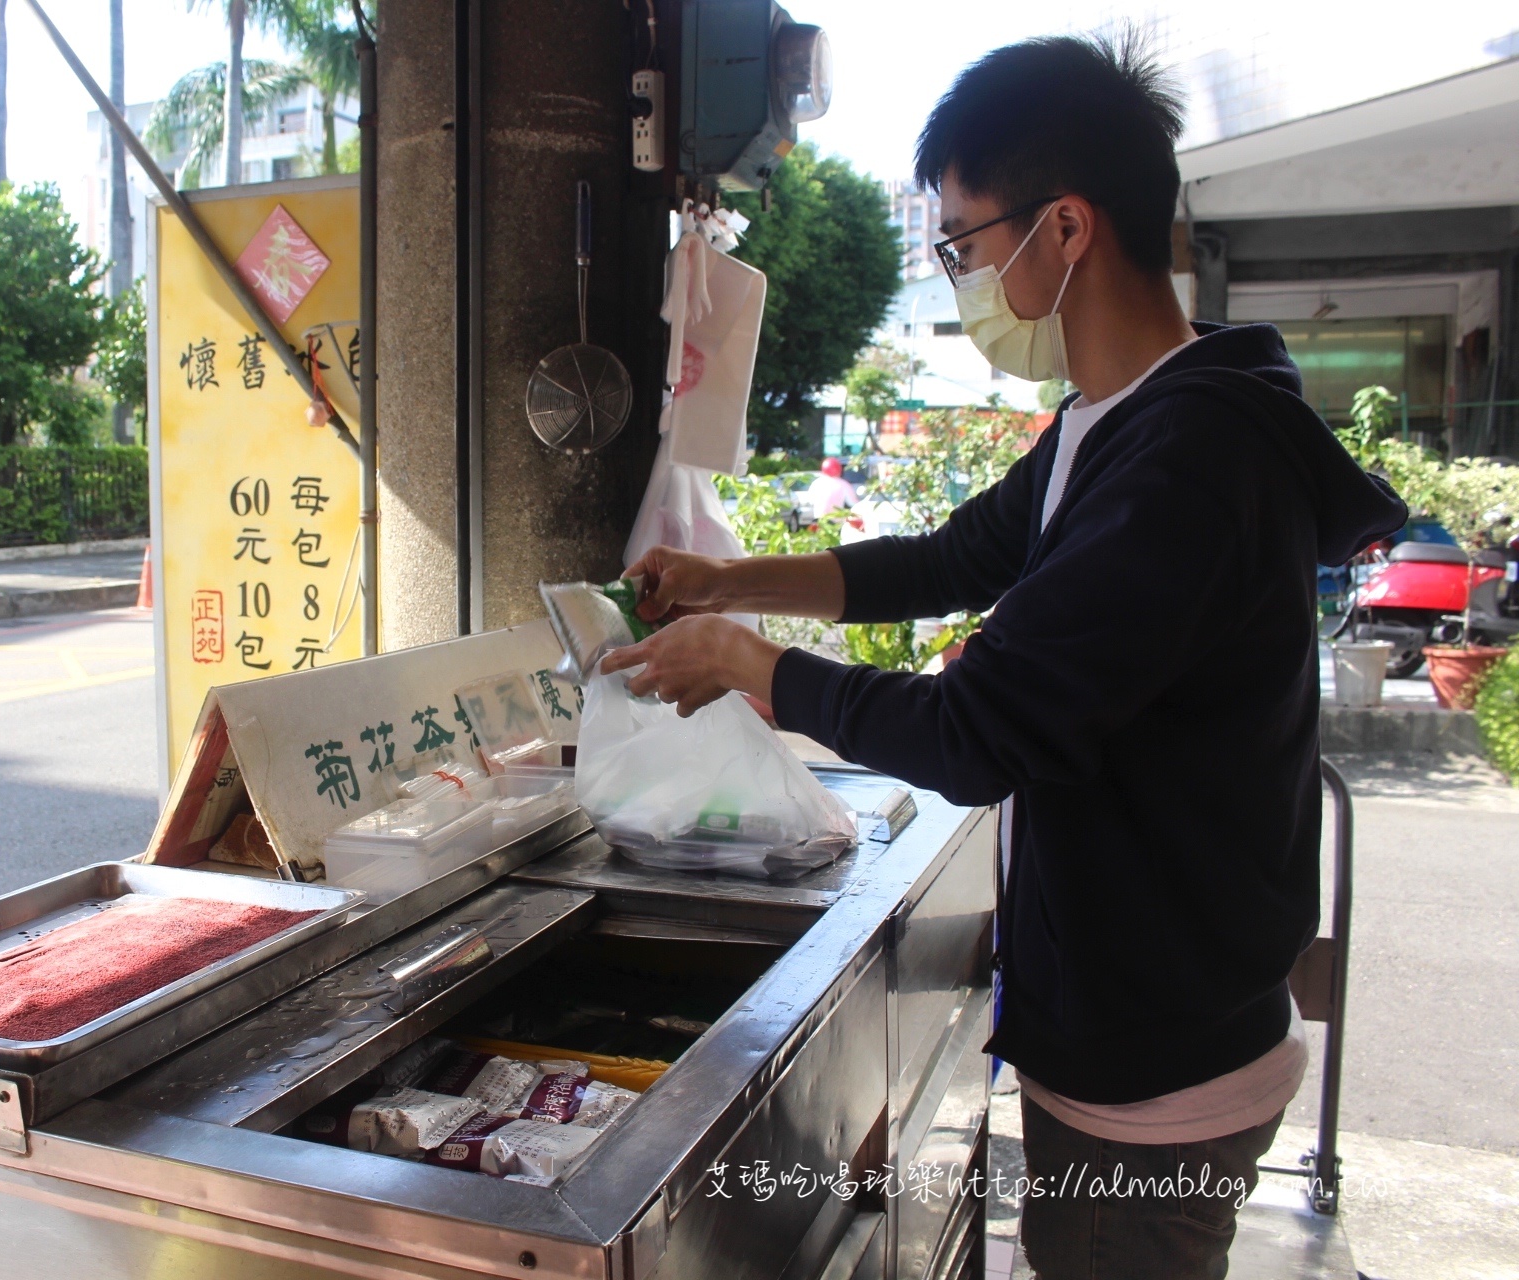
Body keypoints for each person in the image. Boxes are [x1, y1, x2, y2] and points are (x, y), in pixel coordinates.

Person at [602, 31, 1405, 1280]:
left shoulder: (1190, 460)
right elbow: (946, 560)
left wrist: (752, 667)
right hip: (1153, 1018)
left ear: (1066, 229)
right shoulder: (1113, 422)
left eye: (966, 245)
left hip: (1154, 1067)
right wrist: (725, 580)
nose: (965, 279)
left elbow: (980, 731)